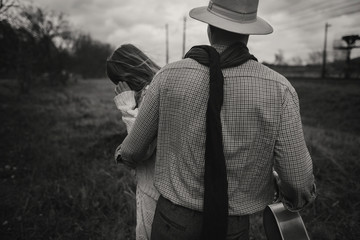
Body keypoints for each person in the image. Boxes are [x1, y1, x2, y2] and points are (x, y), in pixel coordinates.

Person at [115, 0, 317, 240]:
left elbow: (134, 150)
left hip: (173, 221)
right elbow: (297, 180)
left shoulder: (167, 76)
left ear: (209, 28)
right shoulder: (280, 89)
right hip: (232, 227)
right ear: (248, 33)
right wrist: (292, 202)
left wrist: (122, 154)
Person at [106, 44, 161, 240]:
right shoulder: (159, 84)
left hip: (154, 186)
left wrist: (127, 108)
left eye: (119, 81)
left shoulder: (148, 93)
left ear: (127, 75)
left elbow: (140, 148)